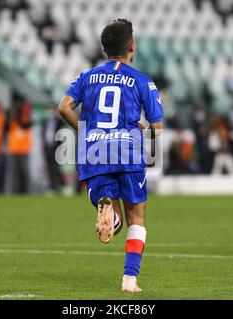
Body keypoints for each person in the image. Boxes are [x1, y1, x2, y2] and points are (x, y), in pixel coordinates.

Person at [58, 19, 163, 293]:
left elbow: (63, 107)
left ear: (105, 48)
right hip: (128, 150)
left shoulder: (86, 77)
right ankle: (129, 280)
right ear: (131, 46)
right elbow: (157, 128)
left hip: (94, 149)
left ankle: (108, 211)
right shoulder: (142, 81)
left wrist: (85, 129)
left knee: (110, 211)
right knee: (136, 218)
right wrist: (142, 130)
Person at [8, 101, 33, 194]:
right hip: (15, 150)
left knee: (24, 172)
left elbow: (26, 124)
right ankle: (16, 192)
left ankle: (25, 191)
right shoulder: (13, 122)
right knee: (15, 174)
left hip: (24, 150)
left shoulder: (26, 119)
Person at [42, 105, 65, 193]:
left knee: (56, 167)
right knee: (50, 168)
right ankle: (52, 187)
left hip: (57, 148)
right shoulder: (45, 122)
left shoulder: (59, 122)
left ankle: (60, 185)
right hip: (48, 148)